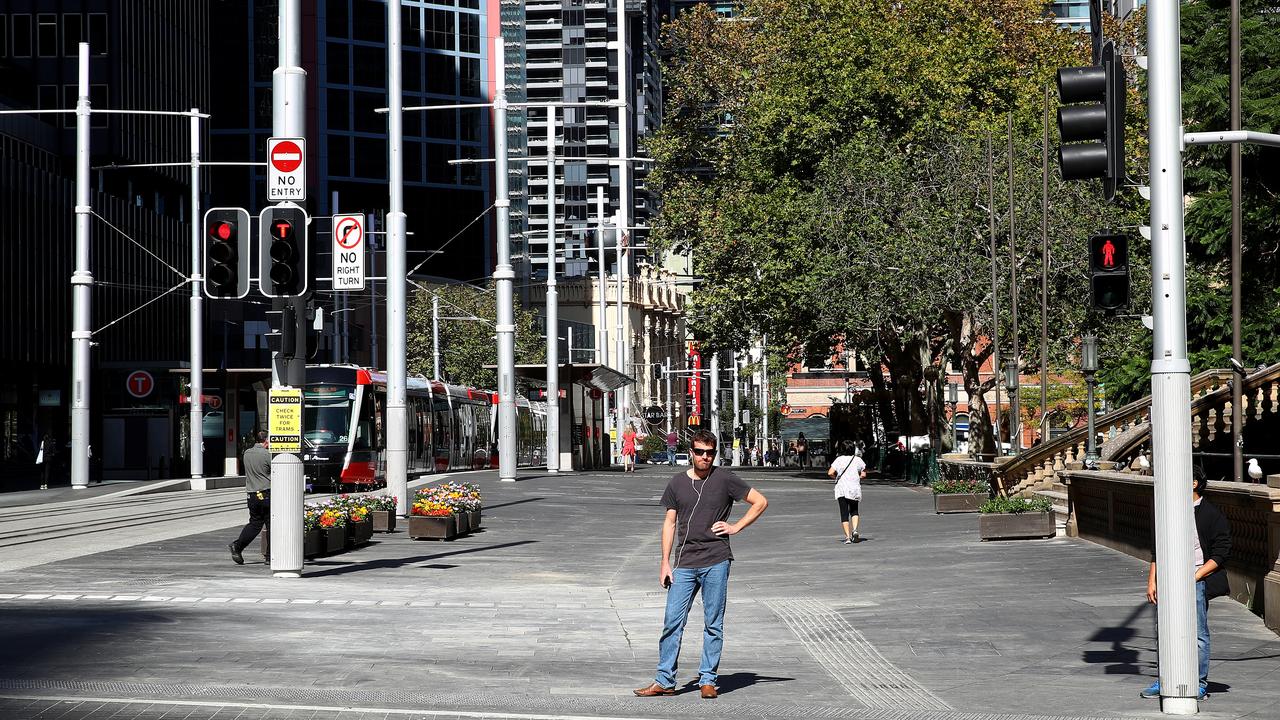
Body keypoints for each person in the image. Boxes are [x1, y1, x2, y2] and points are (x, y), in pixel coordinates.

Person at [634, 430, 768, 700]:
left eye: (710, 453)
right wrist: (664, 562)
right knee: (672, 622)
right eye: (699, 452)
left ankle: (708, 680)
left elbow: (760, 502)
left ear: (715, 453)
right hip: (684, 563)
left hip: (716, 559)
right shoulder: (676, 484)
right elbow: (669, 523)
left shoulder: (725, 479)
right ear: (691, 453)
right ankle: (665, 680)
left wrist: (736, 527)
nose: (705, 457)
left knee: (713, 623)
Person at [1140, 467, 1231, 701]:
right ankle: (1164, 679)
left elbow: (1222, 551)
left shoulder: (1210, 513)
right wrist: (1152, 580)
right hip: (1169, 579)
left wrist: (1196, 576)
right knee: (1164, 630)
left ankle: (1199, 683)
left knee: (1199, 633)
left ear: (1194, 484)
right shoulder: (1169, 511)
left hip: (1194, 579)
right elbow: (1156, 548)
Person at [229, 431, 272, 565]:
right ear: (266, 440)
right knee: (272, 524)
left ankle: (238, 546)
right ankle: (270, 556)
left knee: (254, 524)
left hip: (252, 494)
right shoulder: (267, 455)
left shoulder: (247, 453)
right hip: (266, 493)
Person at [827, 440, 867, 544]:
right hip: (854, 488)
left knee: (844, 513)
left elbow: (830, 472)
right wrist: (857, 476)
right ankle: (855, 530)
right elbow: (863, 474)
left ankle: (848, 537)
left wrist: (836, 478)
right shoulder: (858, 460)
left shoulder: (839, 460)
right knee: (854, 510)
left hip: (842, 489)